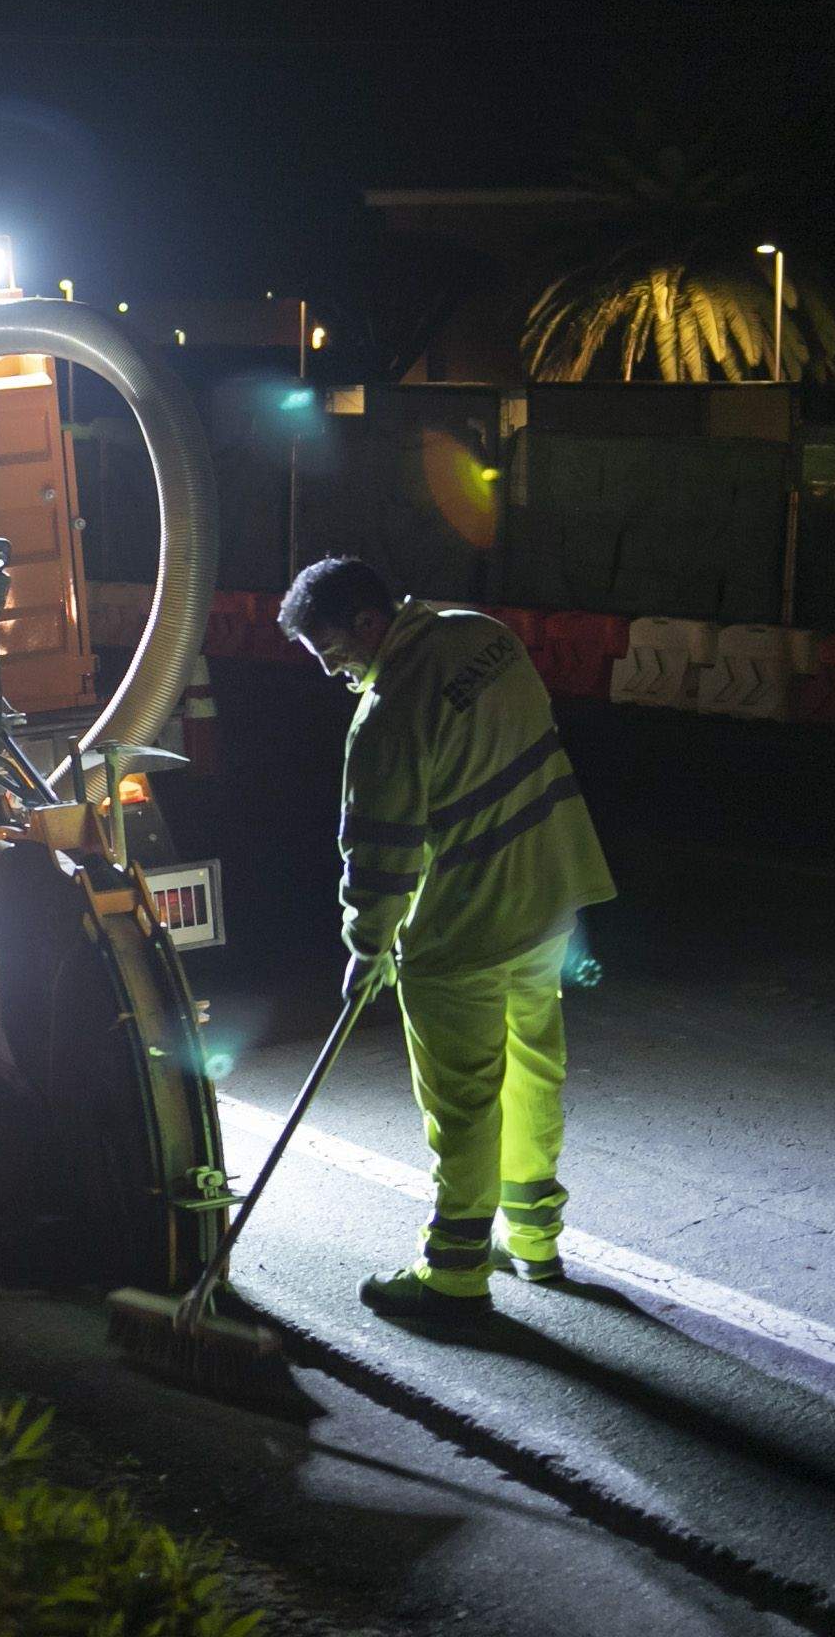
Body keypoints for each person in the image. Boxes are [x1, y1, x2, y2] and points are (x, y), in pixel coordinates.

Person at [281, 557, 616, 1323]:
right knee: (533, 1076)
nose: (337, 673)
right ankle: (535, 1240)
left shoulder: (388, 713)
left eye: (335, 654)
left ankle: (455, 1272)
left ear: (370, 624)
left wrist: (366, 949)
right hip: (547, 900)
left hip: (463, 931)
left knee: (463, 1104)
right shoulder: (484, 636)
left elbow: (380, 856)